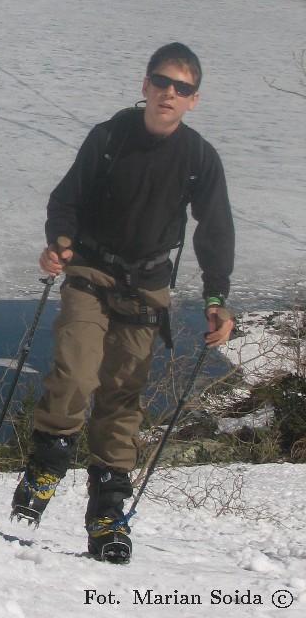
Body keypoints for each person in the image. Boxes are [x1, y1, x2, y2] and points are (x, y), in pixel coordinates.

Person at [12, 43, 234, 563]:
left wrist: (217, 297)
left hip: (149, 280)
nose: (169, 94)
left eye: (181, 88)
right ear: (145, 86)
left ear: (193, 100)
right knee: (75, 368)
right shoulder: (109, 136)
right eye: (162, 82)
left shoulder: (200, 158)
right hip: (90, 267)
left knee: (123, 391)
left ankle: (107, 511)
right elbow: (66, 200)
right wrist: (60, 244)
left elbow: (215, 229)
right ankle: (48, 461)